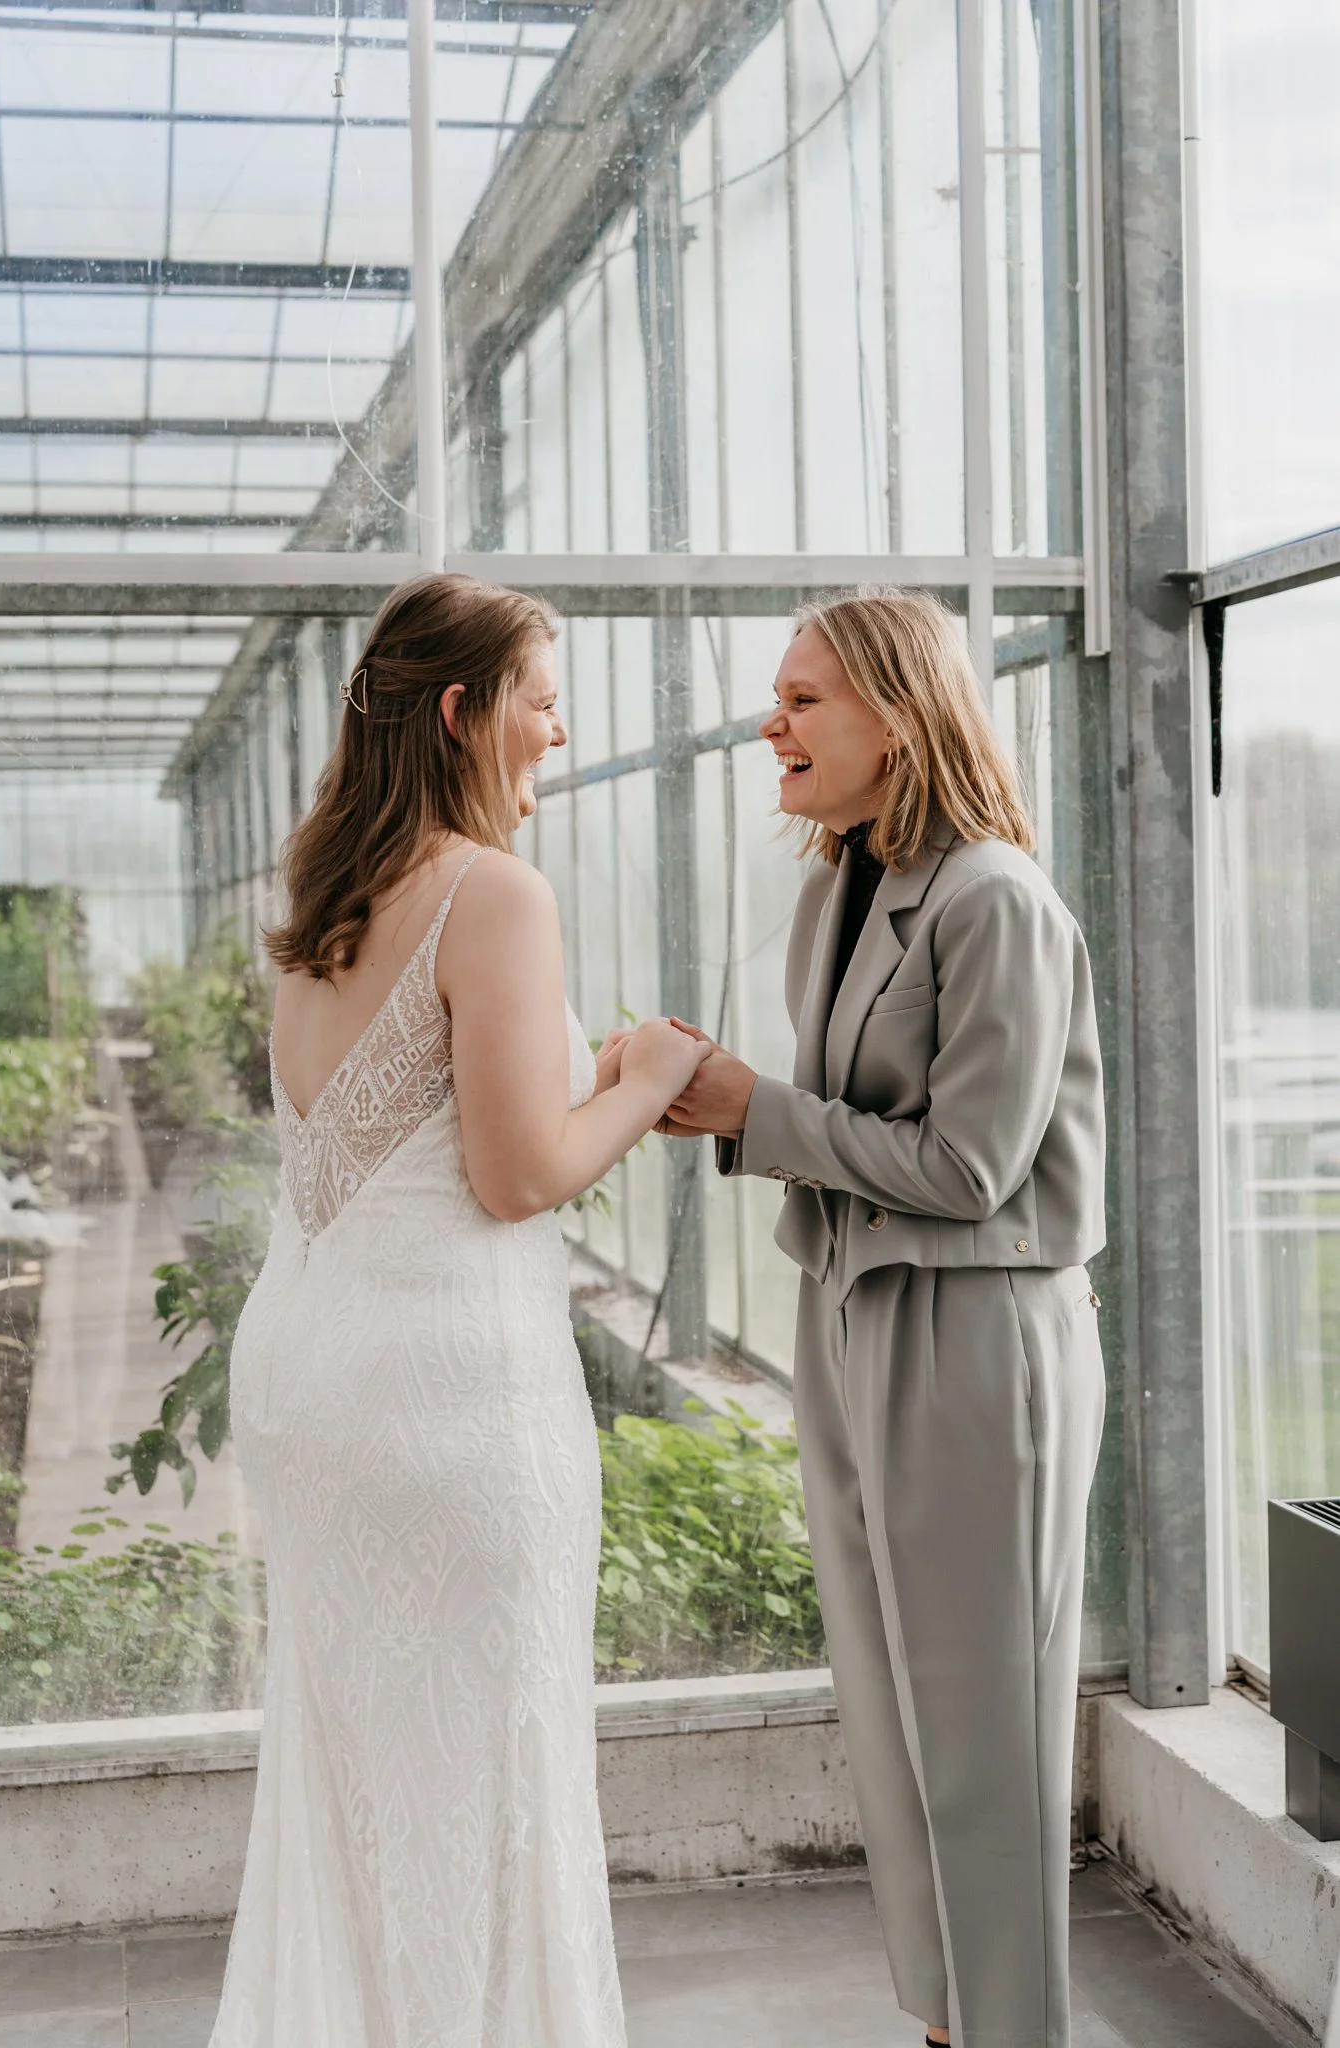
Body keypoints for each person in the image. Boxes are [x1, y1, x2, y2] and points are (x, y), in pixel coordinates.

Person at [210, 573, 706, 2048]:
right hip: (446, 1404)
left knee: (360, 1787)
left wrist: (583, 1088)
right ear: (460, 711)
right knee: (495, 1781)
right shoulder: (493, 893)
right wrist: (649, 1079)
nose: (558, 729)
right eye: (541, 700)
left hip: (316, 1382)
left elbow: (416, 1145)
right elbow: (516, 1175)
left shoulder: (330, 901)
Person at [661, 588, 1106, 2048]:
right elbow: (845, 1121)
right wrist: (727, 1102)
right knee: (893, 1706)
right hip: (852, 1316)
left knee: (986, 1736)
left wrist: (754, 1110)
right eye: (778, 697)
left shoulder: (995, 900)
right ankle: (948, 2018)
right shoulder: (838, 890)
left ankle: (1010, 2028)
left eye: (804, 700)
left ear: (900, 720)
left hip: (975, 1338)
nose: (769, 724)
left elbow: (973, 1169)